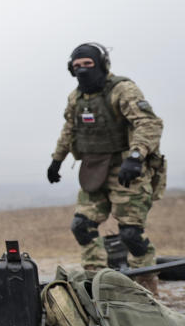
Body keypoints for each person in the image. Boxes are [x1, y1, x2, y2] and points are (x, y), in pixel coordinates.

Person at [47, 42, 165, 294]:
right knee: (81, 225)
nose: (82, 71)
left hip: (127, 170)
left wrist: (136, 156)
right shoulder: (76, 98)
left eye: (88, 65)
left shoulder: (122, 90)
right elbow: (69, 130)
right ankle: (96, 284)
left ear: (101, 64)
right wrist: (57, 160)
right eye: (76, 66)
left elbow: (148, 124)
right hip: (94, 168)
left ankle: (145, 290)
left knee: (131, 234)